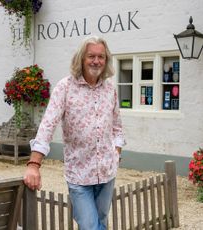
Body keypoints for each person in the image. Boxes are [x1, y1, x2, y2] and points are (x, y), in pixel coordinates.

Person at [23, 36, 126, 230]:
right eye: (91, 56)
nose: (96, 61)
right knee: (90, 227)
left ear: (106, 59)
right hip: (79, 175)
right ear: (81, 58)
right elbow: (47, 125)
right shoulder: (65, 87)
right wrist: (33, 164)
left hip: (107, 173)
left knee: (101, 222)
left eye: (101, 56)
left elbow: (117, 126)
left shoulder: (110, 89)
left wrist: (116, 151)